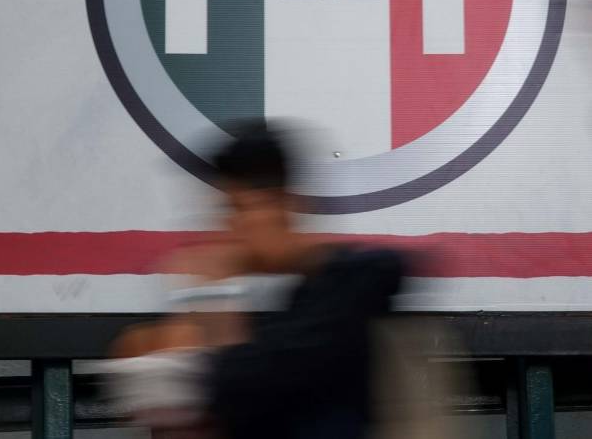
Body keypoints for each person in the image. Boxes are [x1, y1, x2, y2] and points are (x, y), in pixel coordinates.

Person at [109, 120, 407, 439]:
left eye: (239, 208)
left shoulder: (355, 282)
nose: (229, 224)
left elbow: (241, 383)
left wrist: (206, 302)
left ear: (284, 205)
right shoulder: (297, 306)